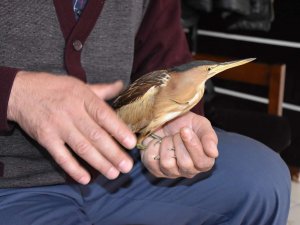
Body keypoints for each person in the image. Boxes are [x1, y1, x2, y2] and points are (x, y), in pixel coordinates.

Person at [0, 1, 290, 224]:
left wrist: (179, 117)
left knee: (262, 179)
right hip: (12, 182)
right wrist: (14, 92)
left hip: (121, 159)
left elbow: (162, 53)